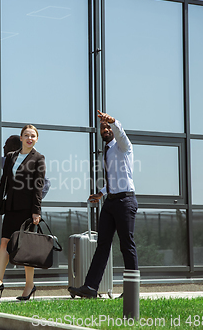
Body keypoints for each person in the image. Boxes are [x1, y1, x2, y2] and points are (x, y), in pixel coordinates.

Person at [68, 110, 138, 299]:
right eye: (103, 127)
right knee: (102, 244)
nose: (105, 129)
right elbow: (114, 179)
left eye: (108, 127)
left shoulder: (124, 146)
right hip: (111, 201)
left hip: (125, 201)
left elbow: (121, 133)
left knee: (126, 245)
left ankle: (132, 291)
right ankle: (90, 288)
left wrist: (114, 121)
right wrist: (101, 193)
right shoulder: (107, 151)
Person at [0, 125, 46, 300]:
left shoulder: (39, 159)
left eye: (33, 136)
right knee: (4, 243)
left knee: (26, 249)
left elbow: (38, 187)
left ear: (36, 139)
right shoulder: (11, 157)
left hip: (27, 210)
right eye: (26, 135)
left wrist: (36, 211)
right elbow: (3, 181)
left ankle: (29, 285)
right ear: (21, 137)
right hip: (10, 207)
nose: (29, 138)